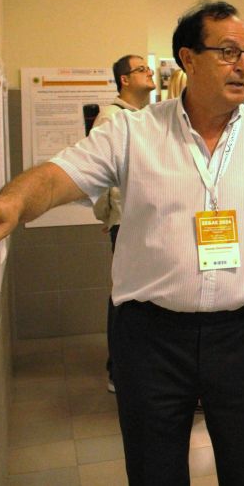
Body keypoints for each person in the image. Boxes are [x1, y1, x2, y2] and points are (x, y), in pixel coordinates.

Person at [0, 0, 244, 486]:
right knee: (153, 470)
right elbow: (60, 175)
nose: (242, 64)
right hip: (151, 339)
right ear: (188, 58)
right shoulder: (133, 132)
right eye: (227, 52)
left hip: (243, 338)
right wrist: (12, 201)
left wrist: (241, 277)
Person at [93, 53, 156, 393]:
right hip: (126, 220)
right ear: (125, 80)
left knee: (138, 294)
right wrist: (108, 215)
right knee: (125, 295)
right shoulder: (111, 118)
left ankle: (134, 365)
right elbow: (101, 174)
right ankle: (117, 370)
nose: (149, 72)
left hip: (142, 218)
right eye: (141, 69)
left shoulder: (145, 116)